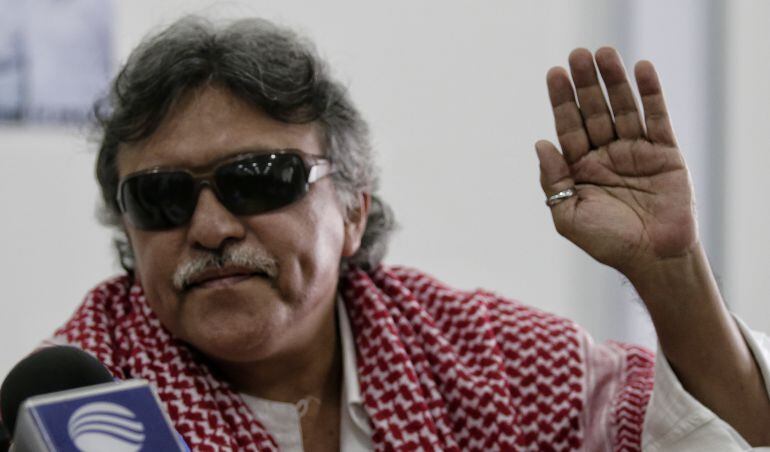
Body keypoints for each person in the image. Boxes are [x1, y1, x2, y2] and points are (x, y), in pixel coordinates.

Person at [33, 16, 770, 451]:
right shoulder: (77, 403)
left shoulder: (484, 363)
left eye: (258, 179)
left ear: (353, 211)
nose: (211, 226)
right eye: (161, 197)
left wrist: (670, 274)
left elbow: (721, 438)